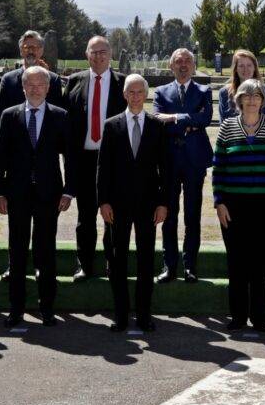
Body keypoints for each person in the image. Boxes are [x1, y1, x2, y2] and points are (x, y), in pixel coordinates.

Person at [0, 66, 71, 327]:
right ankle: (16, 309)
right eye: (30, 84)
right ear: (23, 87)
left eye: (40, 84)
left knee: (45, 251)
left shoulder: (60, 116)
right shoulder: (9, 115)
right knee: (17, 251)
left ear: (48, 88)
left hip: (50, 194)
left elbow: (69, 157)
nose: (35, 88)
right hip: (17, 194)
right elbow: (0, 156)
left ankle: (46, 308)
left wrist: (69, 190)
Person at [211, 79, 265, 332]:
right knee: (237, 262)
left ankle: (259, 317)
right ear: (240, 100)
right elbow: (219, 168)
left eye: (257, 96)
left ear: (263, 101)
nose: (252, 100)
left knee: (261, 262)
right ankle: (238, 317)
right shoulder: (227, 127)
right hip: (233, 206)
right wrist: (219, 202)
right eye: (248, 96)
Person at [96, 74, 170, 332]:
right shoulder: (111, 125)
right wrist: (103, 201)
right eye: (131, 92)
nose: (136, 96)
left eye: (140, 92)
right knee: (117, 260)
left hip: (149, 206)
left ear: (146, 95)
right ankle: (121, 315)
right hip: (117, 206)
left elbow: (166, 170)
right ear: (125, 95)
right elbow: (103, 168)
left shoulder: (157, 126)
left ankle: (144, 314)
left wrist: (163, 203)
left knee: (146, 260)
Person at [63, 36, 125, 281]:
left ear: (110, 54)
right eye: (93, 52)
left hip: (113, 160)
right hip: (85, 159)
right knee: (85, 216)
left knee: (113, 215)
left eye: (103, 51)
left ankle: (113, 262)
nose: (98, 56)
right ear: (86, 54)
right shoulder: (74, 81)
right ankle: (85, 264)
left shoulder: (123, 83)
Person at [153, 48, 213, 284]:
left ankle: (190, 266)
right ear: (171, 66)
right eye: (179, 61)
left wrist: (175, 118)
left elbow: (205, 118)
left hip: (194, 161)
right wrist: (189, 120)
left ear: (194, 66)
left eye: (188, 61)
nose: (184, 65)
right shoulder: (160, 92)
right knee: (169, 215)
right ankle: (169, 266)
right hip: (168, 161)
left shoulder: (203, 91)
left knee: (192, 215)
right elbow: (158, 119)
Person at [0, 30, 64, 115]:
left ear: (41, 50)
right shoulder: (8, 80)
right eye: (26, 47)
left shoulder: (53, 80)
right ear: (21, 51)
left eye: (34, 47)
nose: (31, 51)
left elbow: (58, 115)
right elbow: (1, 114)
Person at [218, 49, 265, 120]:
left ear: (254, 68)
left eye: (249, 65)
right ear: (235, 69)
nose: (245, 69)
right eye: (241, 66)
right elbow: (223, 124)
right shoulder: (224, 93)